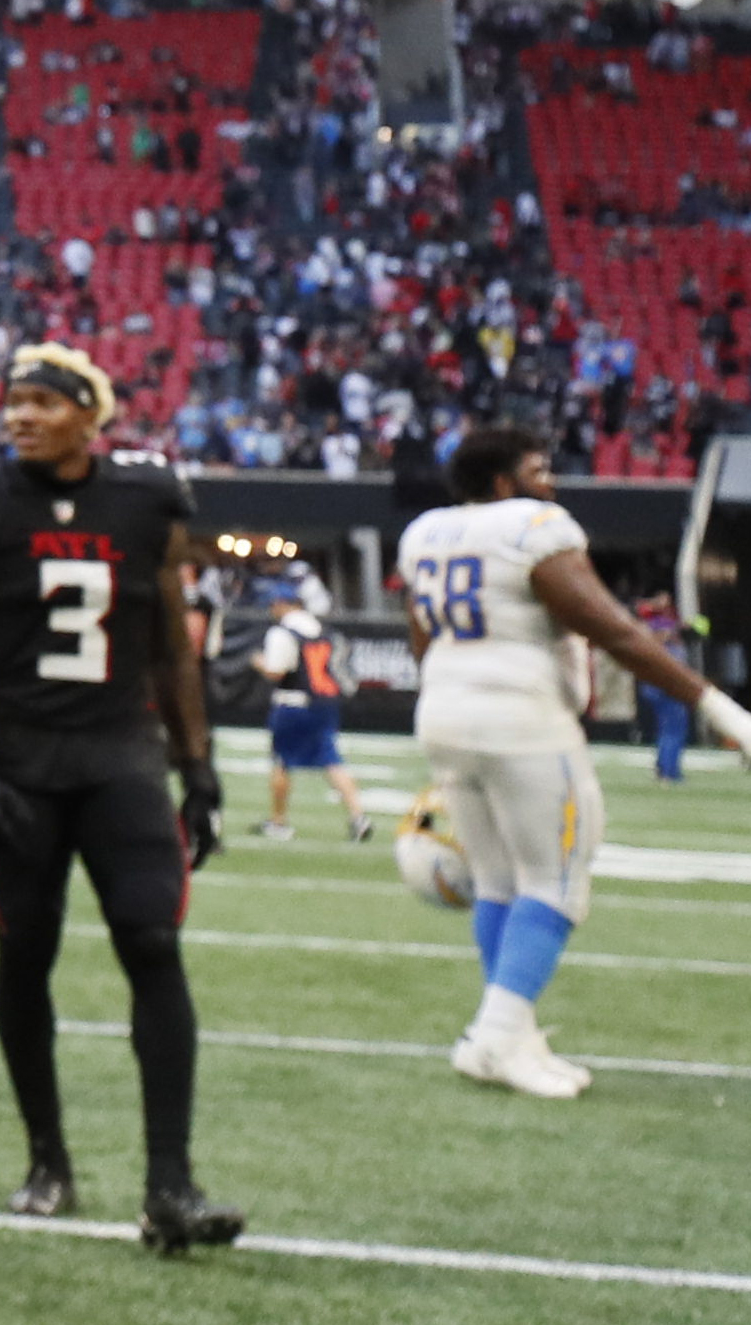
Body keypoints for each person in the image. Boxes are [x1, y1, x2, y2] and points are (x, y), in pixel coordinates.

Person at [0, 346, 243, 1252]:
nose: (18, 417)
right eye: (11, 401)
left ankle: (169, 1185)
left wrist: (199, 768)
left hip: (118, 754)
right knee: (24, 952)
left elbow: (169, 644)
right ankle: (46, 1160)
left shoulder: (146, 495)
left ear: (87, 416)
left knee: (151, 940)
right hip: (19, 760)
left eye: (40, 403)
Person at [396, 424, 751, 1097]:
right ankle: (495, 1038)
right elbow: (611, 628)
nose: (550, 480)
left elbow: (421, 637)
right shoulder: (533, 526)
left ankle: (511, 1032)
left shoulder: (424, 534)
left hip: (442, 710)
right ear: (502, 482)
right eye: (537, 468)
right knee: (556, 885)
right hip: (520, 717)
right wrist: (722, 709)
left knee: (498, 882)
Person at [252, 580, 365, 839]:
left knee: (281, 762)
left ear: (282, 604)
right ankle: (358, 815)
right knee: (331, 760)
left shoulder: (283, 632)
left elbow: (276, 670)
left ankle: (278, 821)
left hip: (294, 704)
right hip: (325, 702)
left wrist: (258, 663)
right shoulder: (322, 629)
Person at [634, 592, 695, 782]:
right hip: (667, 687)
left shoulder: (649, 627)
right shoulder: (660, 628)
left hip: (655, 686)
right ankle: (669, 771)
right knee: (674, 728)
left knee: (666, 728)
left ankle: (663, 768)